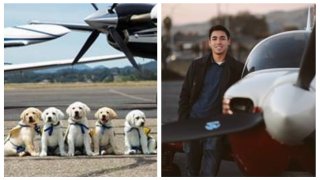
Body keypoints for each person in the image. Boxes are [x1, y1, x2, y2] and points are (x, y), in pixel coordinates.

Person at [178, 25, 244, 176]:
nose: (218, 42)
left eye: (222, 38)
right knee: (191, 171)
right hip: (194, 125)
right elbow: (185, 95)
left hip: (216, 127)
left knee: (209, 173)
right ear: (209, 43)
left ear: (229, 42)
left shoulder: (237, 69)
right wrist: (183, 123)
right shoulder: (196, 65)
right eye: (214, 38)